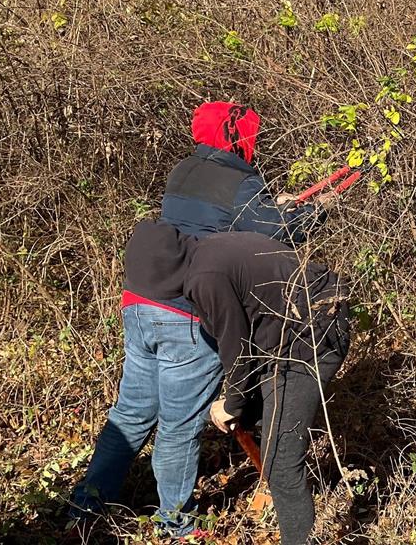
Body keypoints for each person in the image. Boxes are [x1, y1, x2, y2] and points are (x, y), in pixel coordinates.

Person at [69, 102, 327, 537]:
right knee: (179, 425)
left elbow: (219, 220)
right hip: (188, 312)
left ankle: (86, 506)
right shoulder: (244, 181)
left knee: (131, 413)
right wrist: (313, 210)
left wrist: (270, 206)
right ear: (240, 138)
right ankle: (178, 524)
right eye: (252, 136)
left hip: (141, 300)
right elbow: (278, 232)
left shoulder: (182, 170)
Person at [124, 220, 350, 545]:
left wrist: (231, 404)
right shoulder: (208, 252)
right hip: (296, 333)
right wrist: (240, 404)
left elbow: (237, 349)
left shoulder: (205, 279)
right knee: (259, 419)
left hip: (314, 336)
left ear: (160, 273)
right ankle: (294, 502)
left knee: (279, 462)